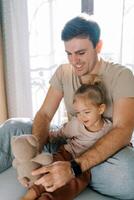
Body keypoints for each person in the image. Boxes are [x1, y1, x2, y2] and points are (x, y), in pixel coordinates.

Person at [0, 13, 134, 199]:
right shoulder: (64, 72)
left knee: (130, 172)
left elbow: (123, 130)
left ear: (99, 46)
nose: (74, 61)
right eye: (69, 54)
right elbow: (45, 114)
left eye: (80, 53)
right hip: (69, 138)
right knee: (12, 127)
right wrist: (34, 153)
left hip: (101, 151)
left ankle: (73, 172)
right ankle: (52, 165)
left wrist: (74, 167)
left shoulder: (122, 75)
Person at [23, 74, 112, 200]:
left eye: (86, 112)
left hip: (85, 165)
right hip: (67, 154)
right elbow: (60, 133)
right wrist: (49, 137)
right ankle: (30, 195)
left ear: (101, 109)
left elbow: (119, 142)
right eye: (78, 113)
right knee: (48, 170)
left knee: (72, 184)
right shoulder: (76, 124)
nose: (82, 117)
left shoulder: (109, 129)